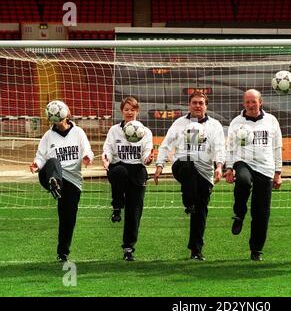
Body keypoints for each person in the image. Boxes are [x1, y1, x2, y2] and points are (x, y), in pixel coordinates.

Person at [154, 91, 225, 261]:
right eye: (194, 102)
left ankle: (196, 250)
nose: (197, 106)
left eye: (201, 103)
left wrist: (219, 166)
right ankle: (188, 202)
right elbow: (165, 145)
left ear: (206, 106)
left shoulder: (215, 126)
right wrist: (159, 166)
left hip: (204, 172)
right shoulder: (179, 123)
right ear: (189, 105)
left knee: (200, 212)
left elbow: (219, 148)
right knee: (187, 165)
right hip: (182, 166)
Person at [29, 100, 94, 262]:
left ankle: (63, 253)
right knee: (53, 162)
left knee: (68, 219)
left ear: (67, 114)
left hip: (72, 181)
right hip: (51, 174)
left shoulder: (78, 132)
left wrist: (87, 157)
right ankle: (54, 183)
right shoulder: (48, 136)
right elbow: (41, 156)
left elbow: (87, 148)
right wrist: (36, 165)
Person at [225, 89, 282, 261]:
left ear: (260, 102)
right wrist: (229, 168)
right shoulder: (237, 122)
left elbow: (277, 147)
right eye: (247, 102)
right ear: (243, 103)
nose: (250, 105)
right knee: (242, 180)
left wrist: (278, 173)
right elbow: (230, 147)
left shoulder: (271, 121)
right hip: (243, 162)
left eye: (254, 101)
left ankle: (256, 249)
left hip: (265, 167)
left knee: (261, 212)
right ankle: (239, 213)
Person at [102, 96, 154, 261]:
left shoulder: (145, 131)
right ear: (121, 112)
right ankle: (117, 206)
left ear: (137, 111)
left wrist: (147, 159)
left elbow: (147, 151)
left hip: (137, 169)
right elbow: (108, 148)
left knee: (134, 210)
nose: (129, 112)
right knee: (119, 172)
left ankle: (128, 248)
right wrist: (106, 159)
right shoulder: (114, 130)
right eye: (126, 109)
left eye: (132, 109)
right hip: (119, 167)